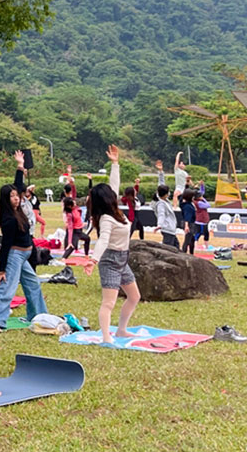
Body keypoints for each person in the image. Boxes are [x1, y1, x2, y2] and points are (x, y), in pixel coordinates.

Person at [82, 145, 139, 345]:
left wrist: (115, 163)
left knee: (134, 296)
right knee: (108, 303)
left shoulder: (115, 210)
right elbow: (103, 240)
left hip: (123, 258)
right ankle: (106, 337)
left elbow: (114, 185)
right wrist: (93, 260)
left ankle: (121, 330)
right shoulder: (106, 218)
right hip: (110, 260)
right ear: (106, 199)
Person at [0, 151, 46, 330]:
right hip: (15, 254)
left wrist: (20, 165)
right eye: (12, 196)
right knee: (7, 288)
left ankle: (38, 316)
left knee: (33, 285)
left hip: (26, 253)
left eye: (17, 196)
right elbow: (5, 246)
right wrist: (1, 269)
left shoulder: (18, 207)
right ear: (6, 199)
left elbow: (18, 185)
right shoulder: (9, 218)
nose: (16, 198)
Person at [154, 185, 179, 249]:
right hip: (167, 228)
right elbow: (161, 214)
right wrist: (159, 225)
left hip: (171, 228)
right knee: (168, 248)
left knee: (176, 246)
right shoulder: (161, 204)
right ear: (166, 194)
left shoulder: (165, 201)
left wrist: (161, 175)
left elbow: (161, 184)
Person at [179, 189, 197, 254]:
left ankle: (191, 253)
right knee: (187, 240)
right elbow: (187, 217)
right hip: (189, 224)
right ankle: (183, 253)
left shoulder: (183, 204)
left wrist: (187, 186)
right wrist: (187, 226)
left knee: (192, 240)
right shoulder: (188, 206)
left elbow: (180, 197)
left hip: (188, 223)